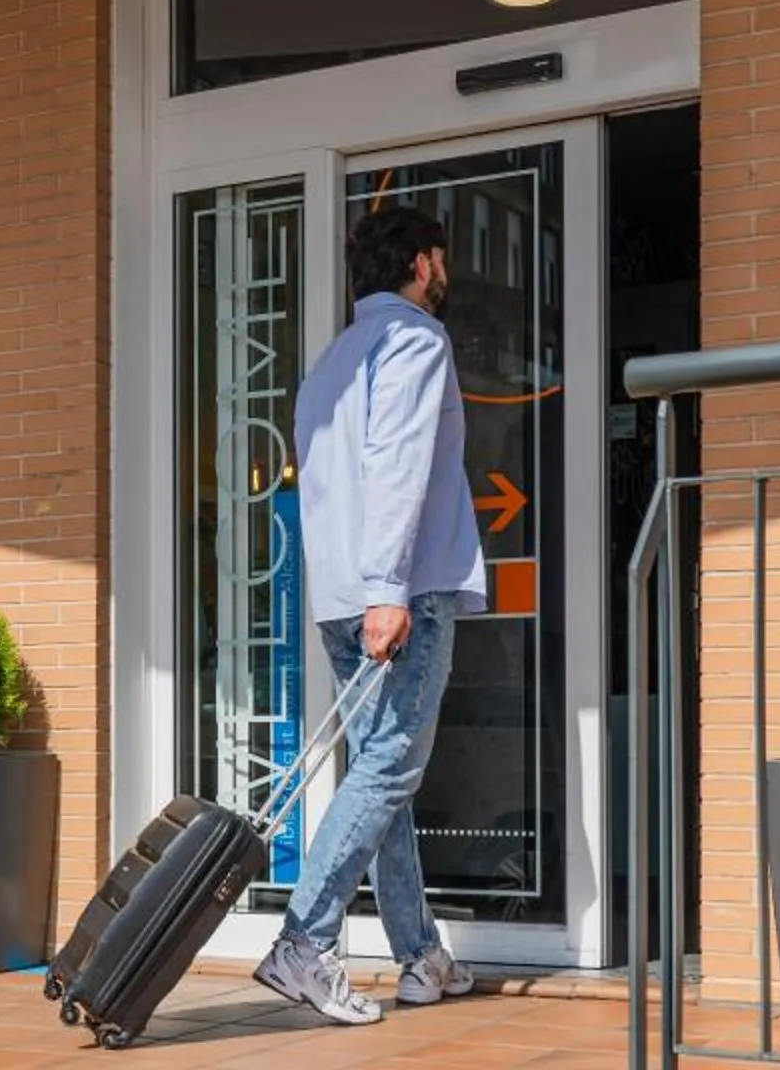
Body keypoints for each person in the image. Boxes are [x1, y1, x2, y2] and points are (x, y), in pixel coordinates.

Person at [252, 203, 489, 1026]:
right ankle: (304, 941)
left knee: (385, 778)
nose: (443, 273)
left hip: (341, 596)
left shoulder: (332, 359)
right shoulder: (415, 340)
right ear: (421, 263)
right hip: (399, 593)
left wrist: (358, 591)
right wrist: (389, 588)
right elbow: (397, 463)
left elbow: (321, 484)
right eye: (441, 259)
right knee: (388, 767)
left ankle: (420, 955)